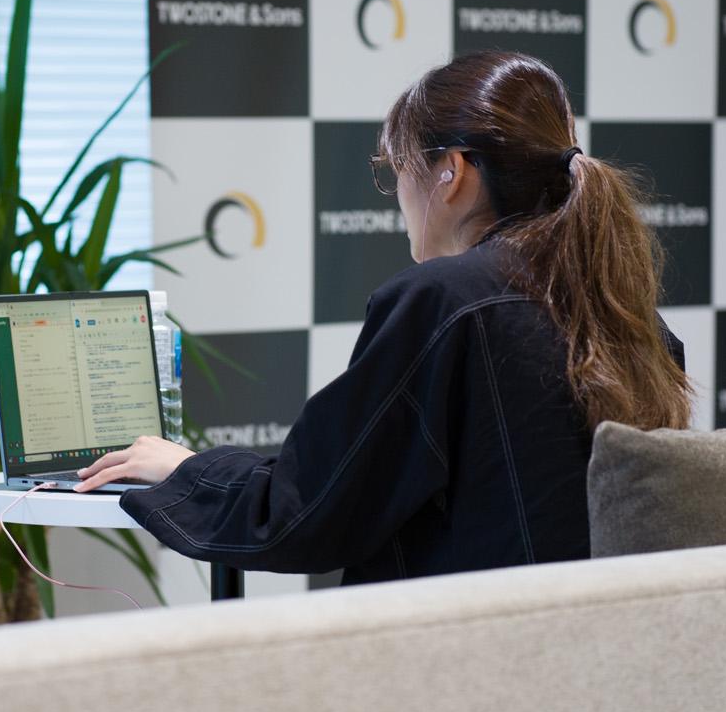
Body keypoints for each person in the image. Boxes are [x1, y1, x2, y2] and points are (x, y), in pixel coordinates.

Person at [75, 50, 691, 584]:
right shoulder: (630, 319)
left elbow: (306, 512)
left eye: (395, 170)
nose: (397, 194)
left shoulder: (443, 300)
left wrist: (188, 472)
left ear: (452, 173)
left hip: (464, 657)